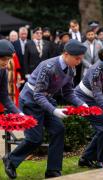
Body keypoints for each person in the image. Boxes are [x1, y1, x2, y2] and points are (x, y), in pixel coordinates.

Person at [2, 39, 88, 179]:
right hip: (30, 101)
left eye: (80, 59)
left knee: (58, 129)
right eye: (77, 58)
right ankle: (10, 160)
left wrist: (81, 104)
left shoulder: (71, 69)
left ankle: (53, 170)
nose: (79, 62)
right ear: (66, 54)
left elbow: (68, 92)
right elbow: (37, 95)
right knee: (35, 138)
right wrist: (54, 110)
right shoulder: (48, 67)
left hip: (46, 101)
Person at [0, 39, 21, 114]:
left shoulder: (3, 71)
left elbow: (3, 96)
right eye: (3, 59)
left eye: (8, 59)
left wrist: (19, 113)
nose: (6, 63)